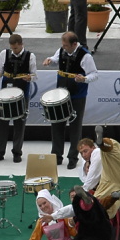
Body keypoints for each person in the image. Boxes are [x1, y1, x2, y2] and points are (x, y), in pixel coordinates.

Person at [42, 32, 98, 169]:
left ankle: (73, 157)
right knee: (57, 124)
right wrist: (49, 60)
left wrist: (84, 79)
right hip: (60, 94)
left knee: (75, 127)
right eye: (63, 45)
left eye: (66, 45)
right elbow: (56, 58)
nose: (64, 48)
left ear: (74, 44)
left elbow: (94, 74)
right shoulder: (62, 50)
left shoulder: (85, 56)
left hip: (77, 95)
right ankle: (56, 155)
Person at [0, 34, 36, 164]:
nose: (14, 50)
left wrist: (29, 78)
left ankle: (17, 152)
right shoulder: (4, 53)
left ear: (21, 45)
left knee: (19, 123)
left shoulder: (30, 56)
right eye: (12, 48)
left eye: (16, 48)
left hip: (22, 93)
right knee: (2, 122)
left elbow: (34, 74)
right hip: (5, 92)